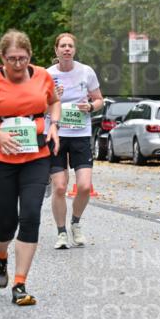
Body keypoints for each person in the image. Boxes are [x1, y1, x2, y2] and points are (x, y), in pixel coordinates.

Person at [0, 30, 60, 305]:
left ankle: (20, 284)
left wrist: (54, 125)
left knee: (31, 215)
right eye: (12, 59)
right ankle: (0, 254)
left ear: (30, 56)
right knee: (7, 222)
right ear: (2, 57)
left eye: (22, 58)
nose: (18, 64)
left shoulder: (42, 76)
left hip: (36, 155)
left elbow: (54, 101)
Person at [48, 33, 104, 249]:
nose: (67, 49)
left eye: (70, 46)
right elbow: (37, 107)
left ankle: (75, 223)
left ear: (74, 49)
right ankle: (61, 232)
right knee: (60, 187)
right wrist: (52, 97)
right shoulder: (47, 75)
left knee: (84, 186)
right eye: (63, 46)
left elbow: (99, 99)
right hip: (57, 135)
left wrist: (90, 106)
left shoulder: (86, 71)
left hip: (80, 134)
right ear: (56, 50)